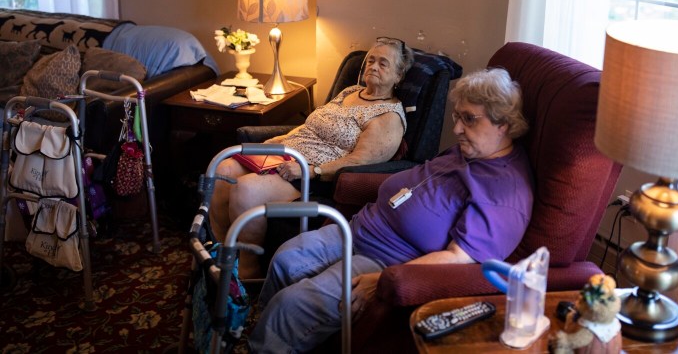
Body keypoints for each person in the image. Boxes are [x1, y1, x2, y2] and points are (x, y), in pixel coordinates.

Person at [247, 67, 535, 352]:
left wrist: (386, 280)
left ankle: (265, 344)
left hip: (388, 259)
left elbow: (459, 260)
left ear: (504, 124)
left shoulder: (504, 194)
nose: (457, 129)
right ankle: (268, 336)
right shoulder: (468, 150)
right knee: (286, 258)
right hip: (359, 229)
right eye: (457, 116)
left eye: (469, 119)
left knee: (291, 307)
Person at [209, 37, 415, 278]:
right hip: (286, 155)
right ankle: (222, 256)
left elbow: (360, 161)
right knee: (224, 169)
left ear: (398, 76)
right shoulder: (350, 91)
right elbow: (310, 127)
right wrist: (278, 141)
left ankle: (247, 271)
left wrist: (313, 169)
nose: (373, 66)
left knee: (245, 190)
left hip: (313, 176)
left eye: (383, 63)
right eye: (370, 60)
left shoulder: (388, 117)